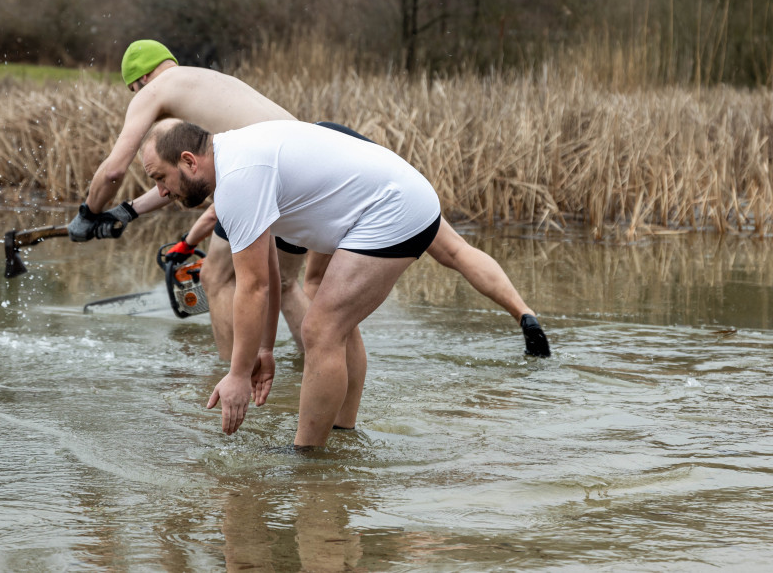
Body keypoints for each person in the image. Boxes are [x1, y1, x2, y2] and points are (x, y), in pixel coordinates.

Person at [140, 118, 551, 448]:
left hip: (392, 209)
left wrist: (237, 375)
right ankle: (342, 435)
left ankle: (307, 461)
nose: (161, 191)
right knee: (335, 323)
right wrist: (263, 348)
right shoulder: (235, 158)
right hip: (392, 199)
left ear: (190, 161)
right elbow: (269, 270)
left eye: (161, 178)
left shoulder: (238, 179)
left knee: (321, 329)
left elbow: (254, 288)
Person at [67, 40, 310, 357]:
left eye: (134, 89)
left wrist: (89, 213)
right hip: (304, 169)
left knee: (216, 277)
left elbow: (113, 171)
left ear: (140, 81)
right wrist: (126, 212)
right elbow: (190, 173)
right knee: (287, 283)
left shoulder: (154, 92)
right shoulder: (207, 83)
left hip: (263, 177)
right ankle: (314, 363)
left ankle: (230, 376)